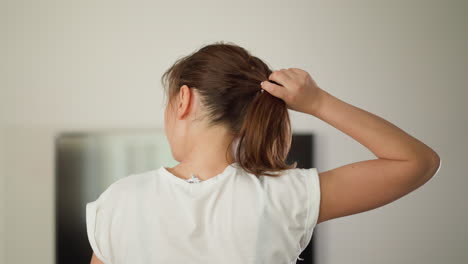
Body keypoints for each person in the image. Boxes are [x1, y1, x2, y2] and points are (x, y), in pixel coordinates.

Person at [86, 41, 441, 264]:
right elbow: (417, 161)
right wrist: (318, 102)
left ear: (183, 99)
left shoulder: (119, 201)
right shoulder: (286, 195)